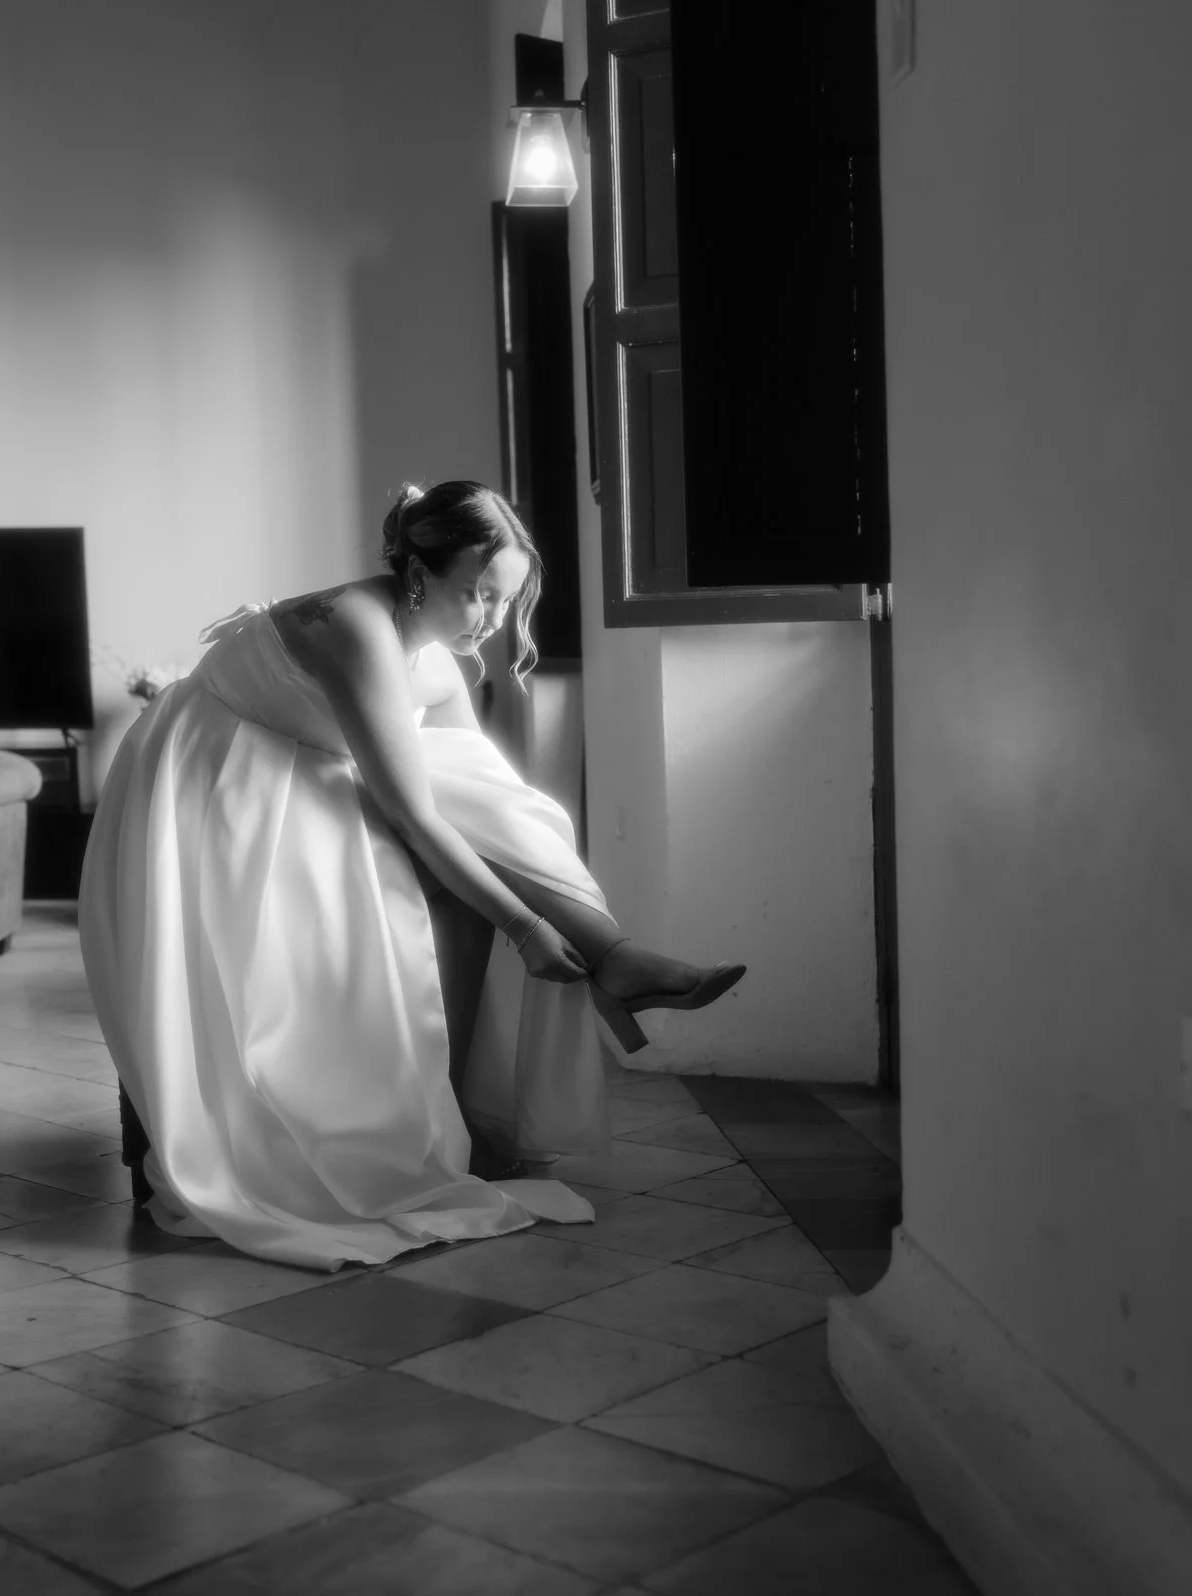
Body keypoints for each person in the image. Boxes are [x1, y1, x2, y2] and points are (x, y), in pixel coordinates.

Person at [78, 481, 744, 1270]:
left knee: (489, 808)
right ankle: (604, 968)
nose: (492, 620)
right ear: (419, 574)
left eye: (506, 599)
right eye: (476, 595)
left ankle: (548, 1017)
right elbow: (414, 815)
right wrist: (526, 926)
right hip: (219, 772)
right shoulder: (355, 627)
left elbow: (478, 792)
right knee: (433, 883)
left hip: (318, 764)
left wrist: (524, 910)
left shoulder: (440, 652)